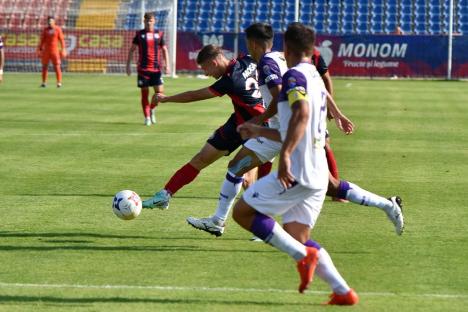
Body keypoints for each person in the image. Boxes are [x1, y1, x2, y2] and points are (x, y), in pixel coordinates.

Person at [186, 23, 404, 238]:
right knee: (236, 167)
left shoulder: (267, 64)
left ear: (252, 43)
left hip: (289, 132)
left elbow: (280, 92)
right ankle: (218, 221)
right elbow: (317, 86)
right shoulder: (283, 58)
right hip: (279, 131)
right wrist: (337, 113)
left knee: (330, 186)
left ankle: (386, 205)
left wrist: (259, 120)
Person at [233, 23, 358, 305]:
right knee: (296, 235)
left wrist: (285, 155)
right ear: (312, 50)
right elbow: (295, 125)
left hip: (298, 171)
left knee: (242, 212)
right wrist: (259, 130)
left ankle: (305, 258)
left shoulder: (293, 77)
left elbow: (300, 114)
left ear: (286, 50)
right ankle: (343, 292)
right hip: (317, 174)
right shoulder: (314, 74)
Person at [141, 44, 265, 209]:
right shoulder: (247, 60)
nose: (206, 74)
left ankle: (261, 223)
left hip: (259, 128)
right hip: (238, 123)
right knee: (201, 158)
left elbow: (194, 95)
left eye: (206, 69)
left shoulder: (229, 81)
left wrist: (167, 99)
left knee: (247, 178)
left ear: (214, 63)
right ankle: (165, 195)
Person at [126, 12, 170, 126]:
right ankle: (147, 118)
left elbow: (164, 50)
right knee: (144, 94)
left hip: (156, 69)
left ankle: (152, 109)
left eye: (151, 20)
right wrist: (128, 65)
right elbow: (132, 50)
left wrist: (167, 65)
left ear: (154, 21)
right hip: (143, 70)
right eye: (146, 20)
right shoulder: (139, 35)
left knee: (160, 94)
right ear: (143, 21)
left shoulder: (159, 34)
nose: (148, 22)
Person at [37, 16, 66, 88]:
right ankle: (44, 82)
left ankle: (59, 82)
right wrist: (39, 49)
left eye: (51, 21)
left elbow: (62, 40)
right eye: (49, 21)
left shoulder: (58, 29)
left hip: (55, 51)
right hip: (46, 51)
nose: (49, 22)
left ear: (54, 22)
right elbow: (42, 40)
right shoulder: (45, 30)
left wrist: (63, 49)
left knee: (57, 66)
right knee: (44, 67)